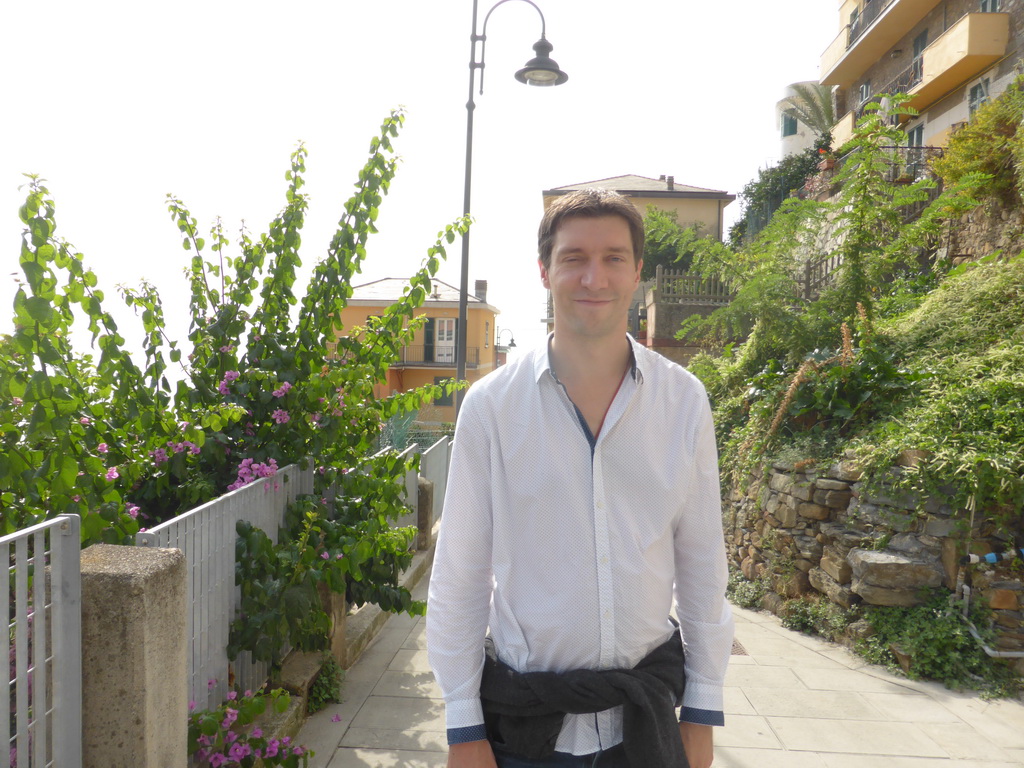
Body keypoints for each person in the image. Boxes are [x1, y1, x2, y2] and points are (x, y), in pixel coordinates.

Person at [427, 189, 734, 768]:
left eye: (614, 257)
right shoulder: (490, 408)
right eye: (574, 258)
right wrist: (462, 725)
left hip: (644, 728)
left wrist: (702, 708)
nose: (595, 276)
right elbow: (460, 575)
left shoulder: (684, 402)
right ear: (544, 271)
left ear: (638, 271)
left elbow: (701, 563)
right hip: (523, 731)